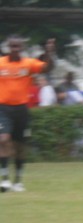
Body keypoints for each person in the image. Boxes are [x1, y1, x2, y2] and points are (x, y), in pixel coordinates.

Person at [0, 35, 55, 193]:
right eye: (12, 46)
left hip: (22, 109)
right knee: (3, 139)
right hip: (3, 108)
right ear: (9, 47)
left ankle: (18, 181)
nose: (15, 49)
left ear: (22, 48)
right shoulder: (1, 63)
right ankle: (4, 179)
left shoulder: (29, 63)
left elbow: (47, 68)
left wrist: (49, 53)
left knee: (20, 146)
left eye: (17, 46)